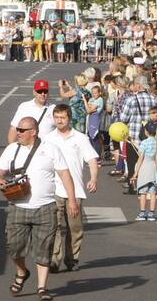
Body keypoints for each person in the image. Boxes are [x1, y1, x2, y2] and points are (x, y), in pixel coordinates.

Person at [0, 116, 79, 301]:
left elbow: (65, 175)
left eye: (22, 130)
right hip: (17, 206)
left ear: (34, 132)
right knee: (14, 247)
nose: (18, 133)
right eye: (17, 129)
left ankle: (42, 287)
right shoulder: (11, 149)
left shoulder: (50, 149)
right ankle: (22, 272)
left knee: (44, 249)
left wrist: (72, 200)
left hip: (45, 207)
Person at [46, 104, 98, 272]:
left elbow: (91, 160)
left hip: (75, 191)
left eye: (63, 117)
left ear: (69, 118)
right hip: (54, 190)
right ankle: (54, 260)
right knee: (54, 227)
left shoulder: (80, 138)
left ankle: (72, 258)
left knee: (74, 228)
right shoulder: (48, 138)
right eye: (57, 117)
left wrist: (93, 179)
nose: (59, 121)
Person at [132, 121, 157, 221]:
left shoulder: (144, 143)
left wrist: (135, 173)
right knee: (153, 193)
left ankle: (142, 213)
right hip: (154, 168)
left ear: (146, 132)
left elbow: (140, 158)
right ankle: (152, 213)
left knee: (143, 192)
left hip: (144, 168)